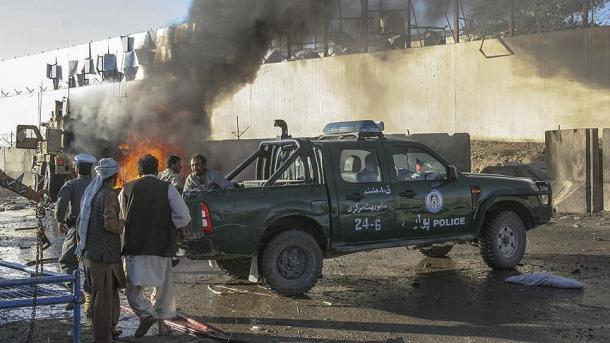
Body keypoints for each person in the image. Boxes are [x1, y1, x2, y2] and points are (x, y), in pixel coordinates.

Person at [119, 154, 191, 337]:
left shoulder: (127, 189)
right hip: (162, 246)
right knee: (164, 290)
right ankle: (162, 326)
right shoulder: (167, 188)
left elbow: (120, 219)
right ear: (157, 169)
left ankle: (145, 314)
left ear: (139, 170)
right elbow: (184, 216)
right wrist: (170, 225)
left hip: (135, 247)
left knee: (133, 289)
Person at [76, 158, 125, 343]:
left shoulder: (92, 193)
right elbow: (110, 224)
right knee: (103, 299)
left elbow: (81, 221)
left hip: (90, 254)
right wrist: (123, 223)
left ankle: (110, 329)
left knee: (107, 295)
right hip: (103, 257)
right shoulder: (109, 195)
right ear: (114, 176)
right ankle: (103, 337)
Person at [55, 153, 95, 311]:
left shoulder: (70, 185)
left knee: (66, 262)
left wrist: (60, 220)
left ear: (77, 168)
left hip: (76, 229)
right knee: (91, 265)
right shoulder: (97, 184)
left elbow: (61, 206)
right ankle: (90, 300)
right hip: (96, 230)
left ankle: (76, 293)